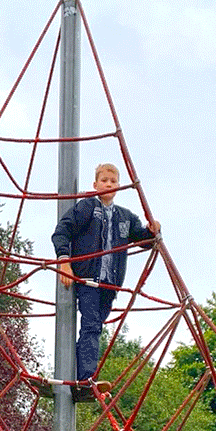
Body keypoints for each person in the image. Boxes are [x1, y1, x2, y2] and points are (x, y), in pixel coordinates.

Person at [51, 163, 160, 400]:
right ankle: (86, 378)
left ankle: (83, 376)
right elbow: (62, 231)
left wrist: (152, 232)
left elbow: (142, 238)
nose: (108, 184)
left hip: (109, 283)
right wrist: (64, 261)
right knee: (91, 326)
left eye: (113, 181)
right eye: (104, 180)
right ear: (95, 184)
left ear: (119, 186)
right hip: (89, 279)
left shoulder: (125, 216)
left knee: (95, 328)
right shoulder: (87, 208)